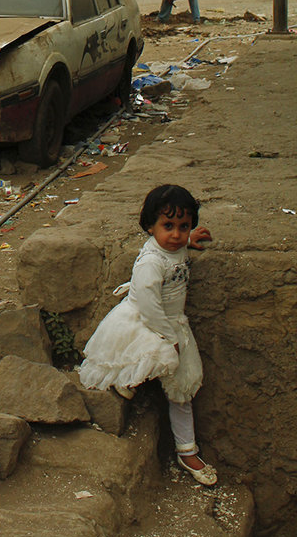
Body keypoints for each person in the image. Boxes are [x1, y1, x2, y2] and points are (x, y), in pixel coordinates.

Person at [78, 183, 217, 486]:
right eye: (168, 226)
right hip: (149, 322)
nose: (177, 234)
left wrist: (188, 240)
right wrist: (170, 338)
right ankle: (132, 380)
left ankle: (186, 449)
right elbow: (149, 306)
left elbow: (178, 244)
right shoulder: (152, 263)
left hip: (170, 321)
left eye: (184, 226)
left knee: (183, 388)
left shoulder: (174, 246)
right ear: (150, 226)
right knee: (158, 359)